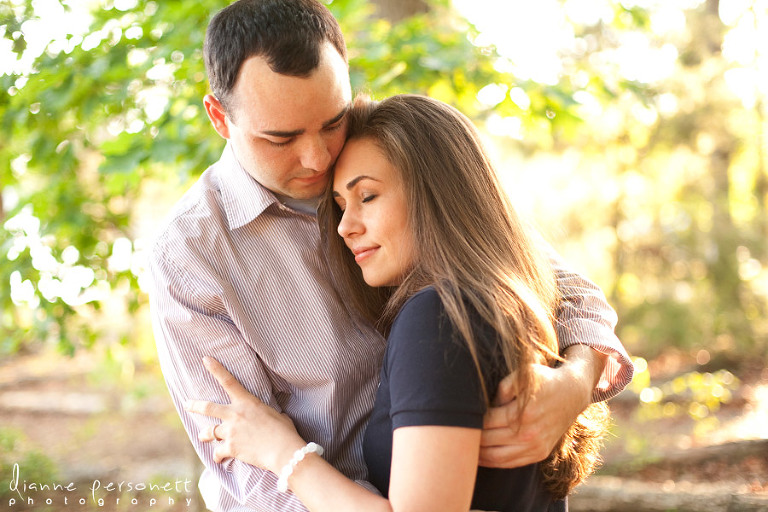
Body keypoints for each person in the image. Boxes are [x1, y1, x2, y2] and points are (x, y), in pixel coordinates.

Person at [148, 1, 633, 511]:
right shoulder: (192, 256)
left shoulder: (378, 149)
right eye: (281, 137)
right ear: (220, 118)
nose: (317, 157)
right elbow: (252, 474)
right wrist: (302, 466)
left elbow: (539, 276)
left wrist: (574, 383)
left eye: (330, 121)